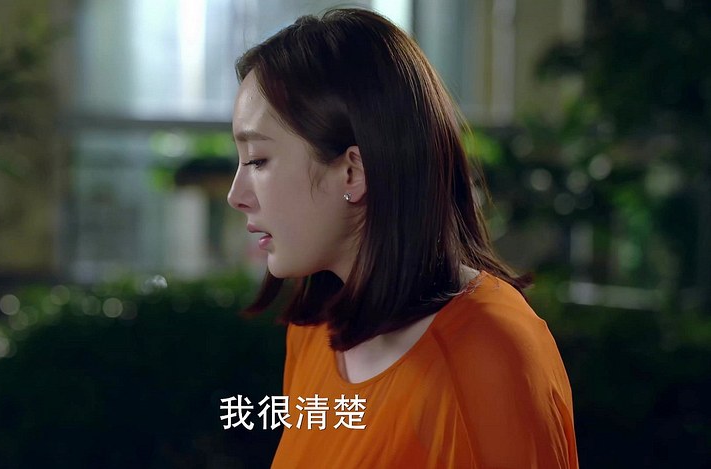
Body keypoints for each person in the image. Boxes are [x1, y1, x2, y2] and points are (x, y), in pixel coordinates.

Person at [226, 8, 578, 469]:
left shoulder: (491, 352)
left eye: (257, 160)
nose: (236, 195)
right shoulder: (318, 331)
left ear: (353, 171)